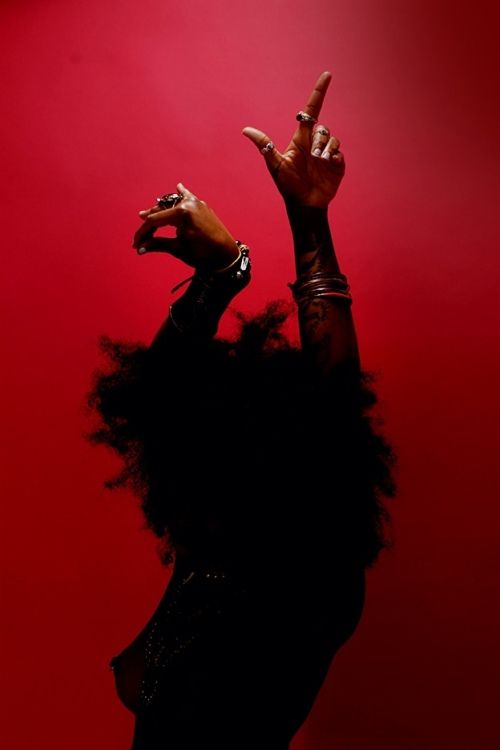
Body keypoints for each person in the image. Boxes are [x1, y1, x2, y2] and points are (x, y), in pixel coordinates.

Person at [87, 72, 396, 749]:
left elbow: (165, 402)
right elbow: (329, 405)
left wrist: (230, 271)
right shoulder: (225, 563)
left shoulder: (296, 591)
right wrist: (281, 237)